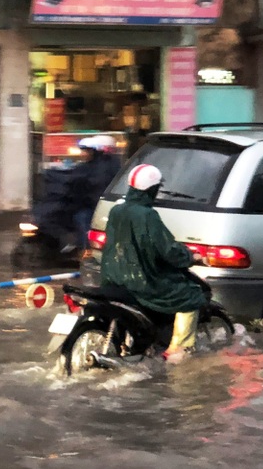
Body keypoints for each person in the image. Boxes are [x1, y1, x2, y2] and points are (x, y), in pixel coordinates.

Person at [99, 164, 207, 364]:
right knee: (191, 295)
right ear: (152, 189)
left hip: (113, 278)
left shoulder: (117, 211)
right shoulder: (148, 215)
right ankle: (178, 351)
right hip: (144, 282)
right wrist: (190, 257)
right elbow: (167, 249)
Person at [67, 134, 121, 252]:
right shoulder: (110, 163)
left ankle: (87, 249)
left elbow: (96, 184)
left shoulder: (105, 166)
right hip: (97, 202)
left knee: (82, 220)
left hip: (95, 204)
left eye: (86, 151)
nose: (83, 154)